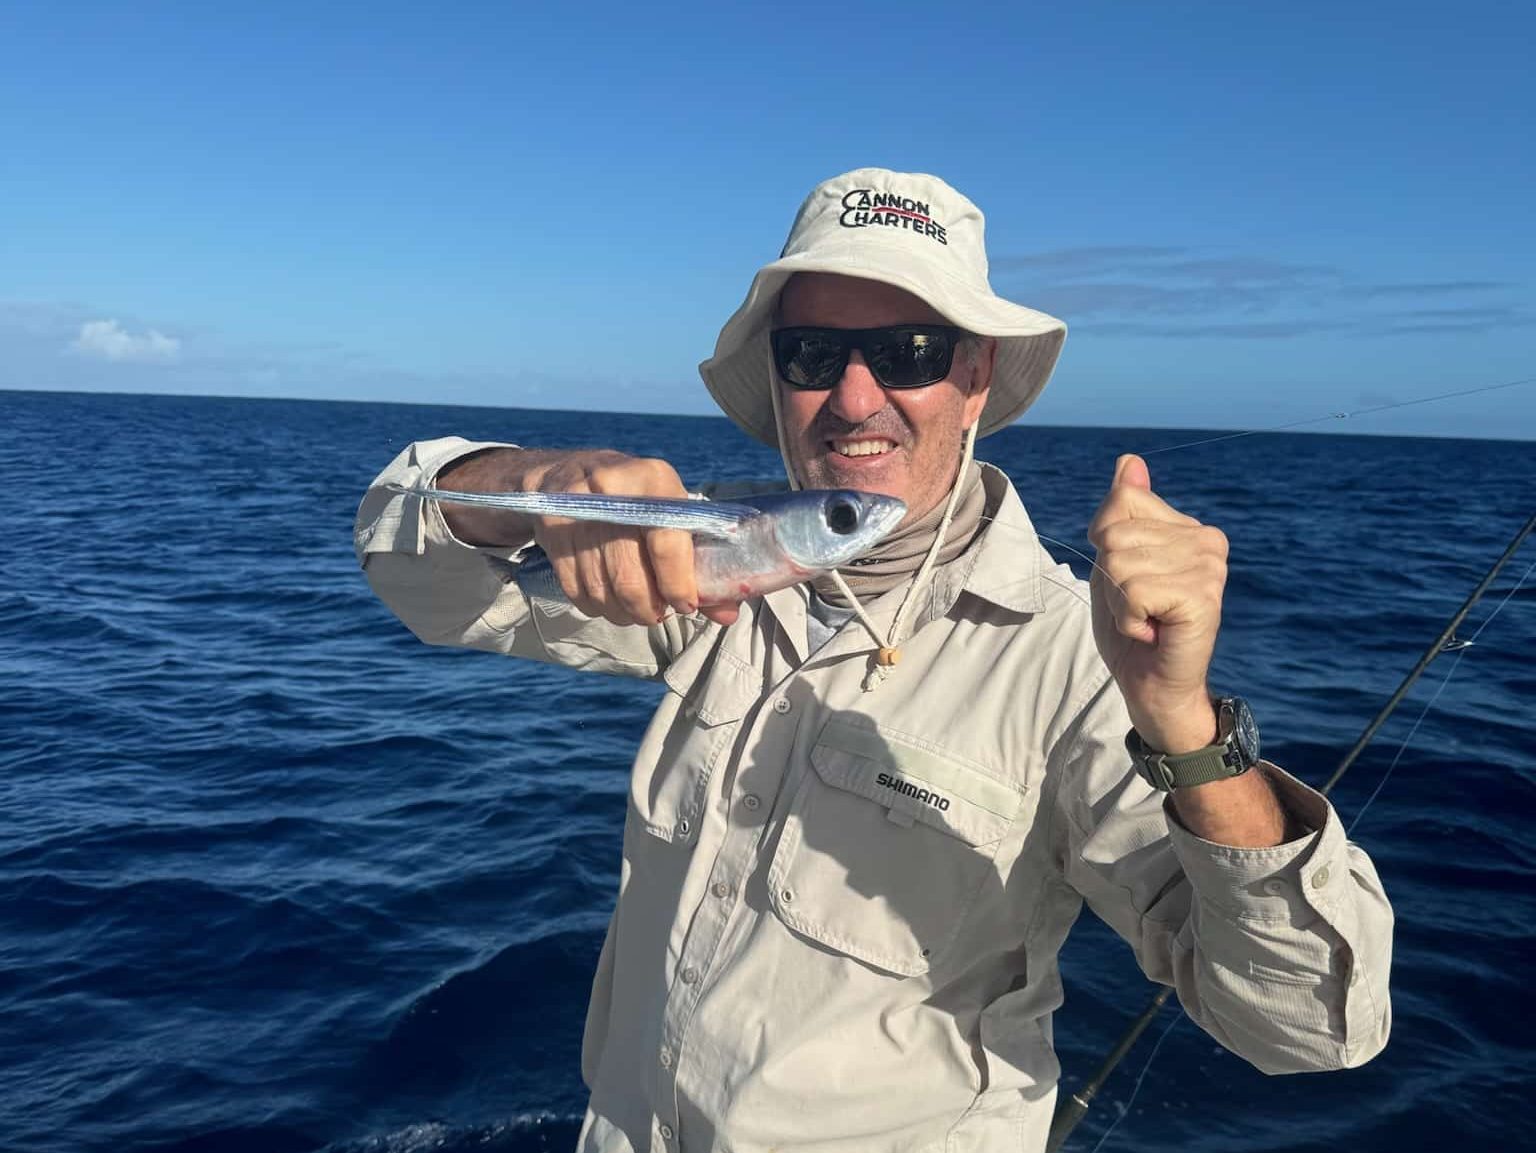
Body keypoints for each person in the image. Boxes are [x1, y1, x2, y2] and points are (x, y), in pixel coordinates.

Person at [354, 168, 1393, 1153]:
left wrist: (1183, 724)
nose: (854, 398)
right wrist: (524, 487)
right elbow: (423, 582)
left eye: (909, 350)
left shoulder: (1079, 662)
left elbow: (1306, 1028)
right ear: (777, 377)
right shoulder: (698, 563)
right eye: (811, 354)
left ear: (976, 375)